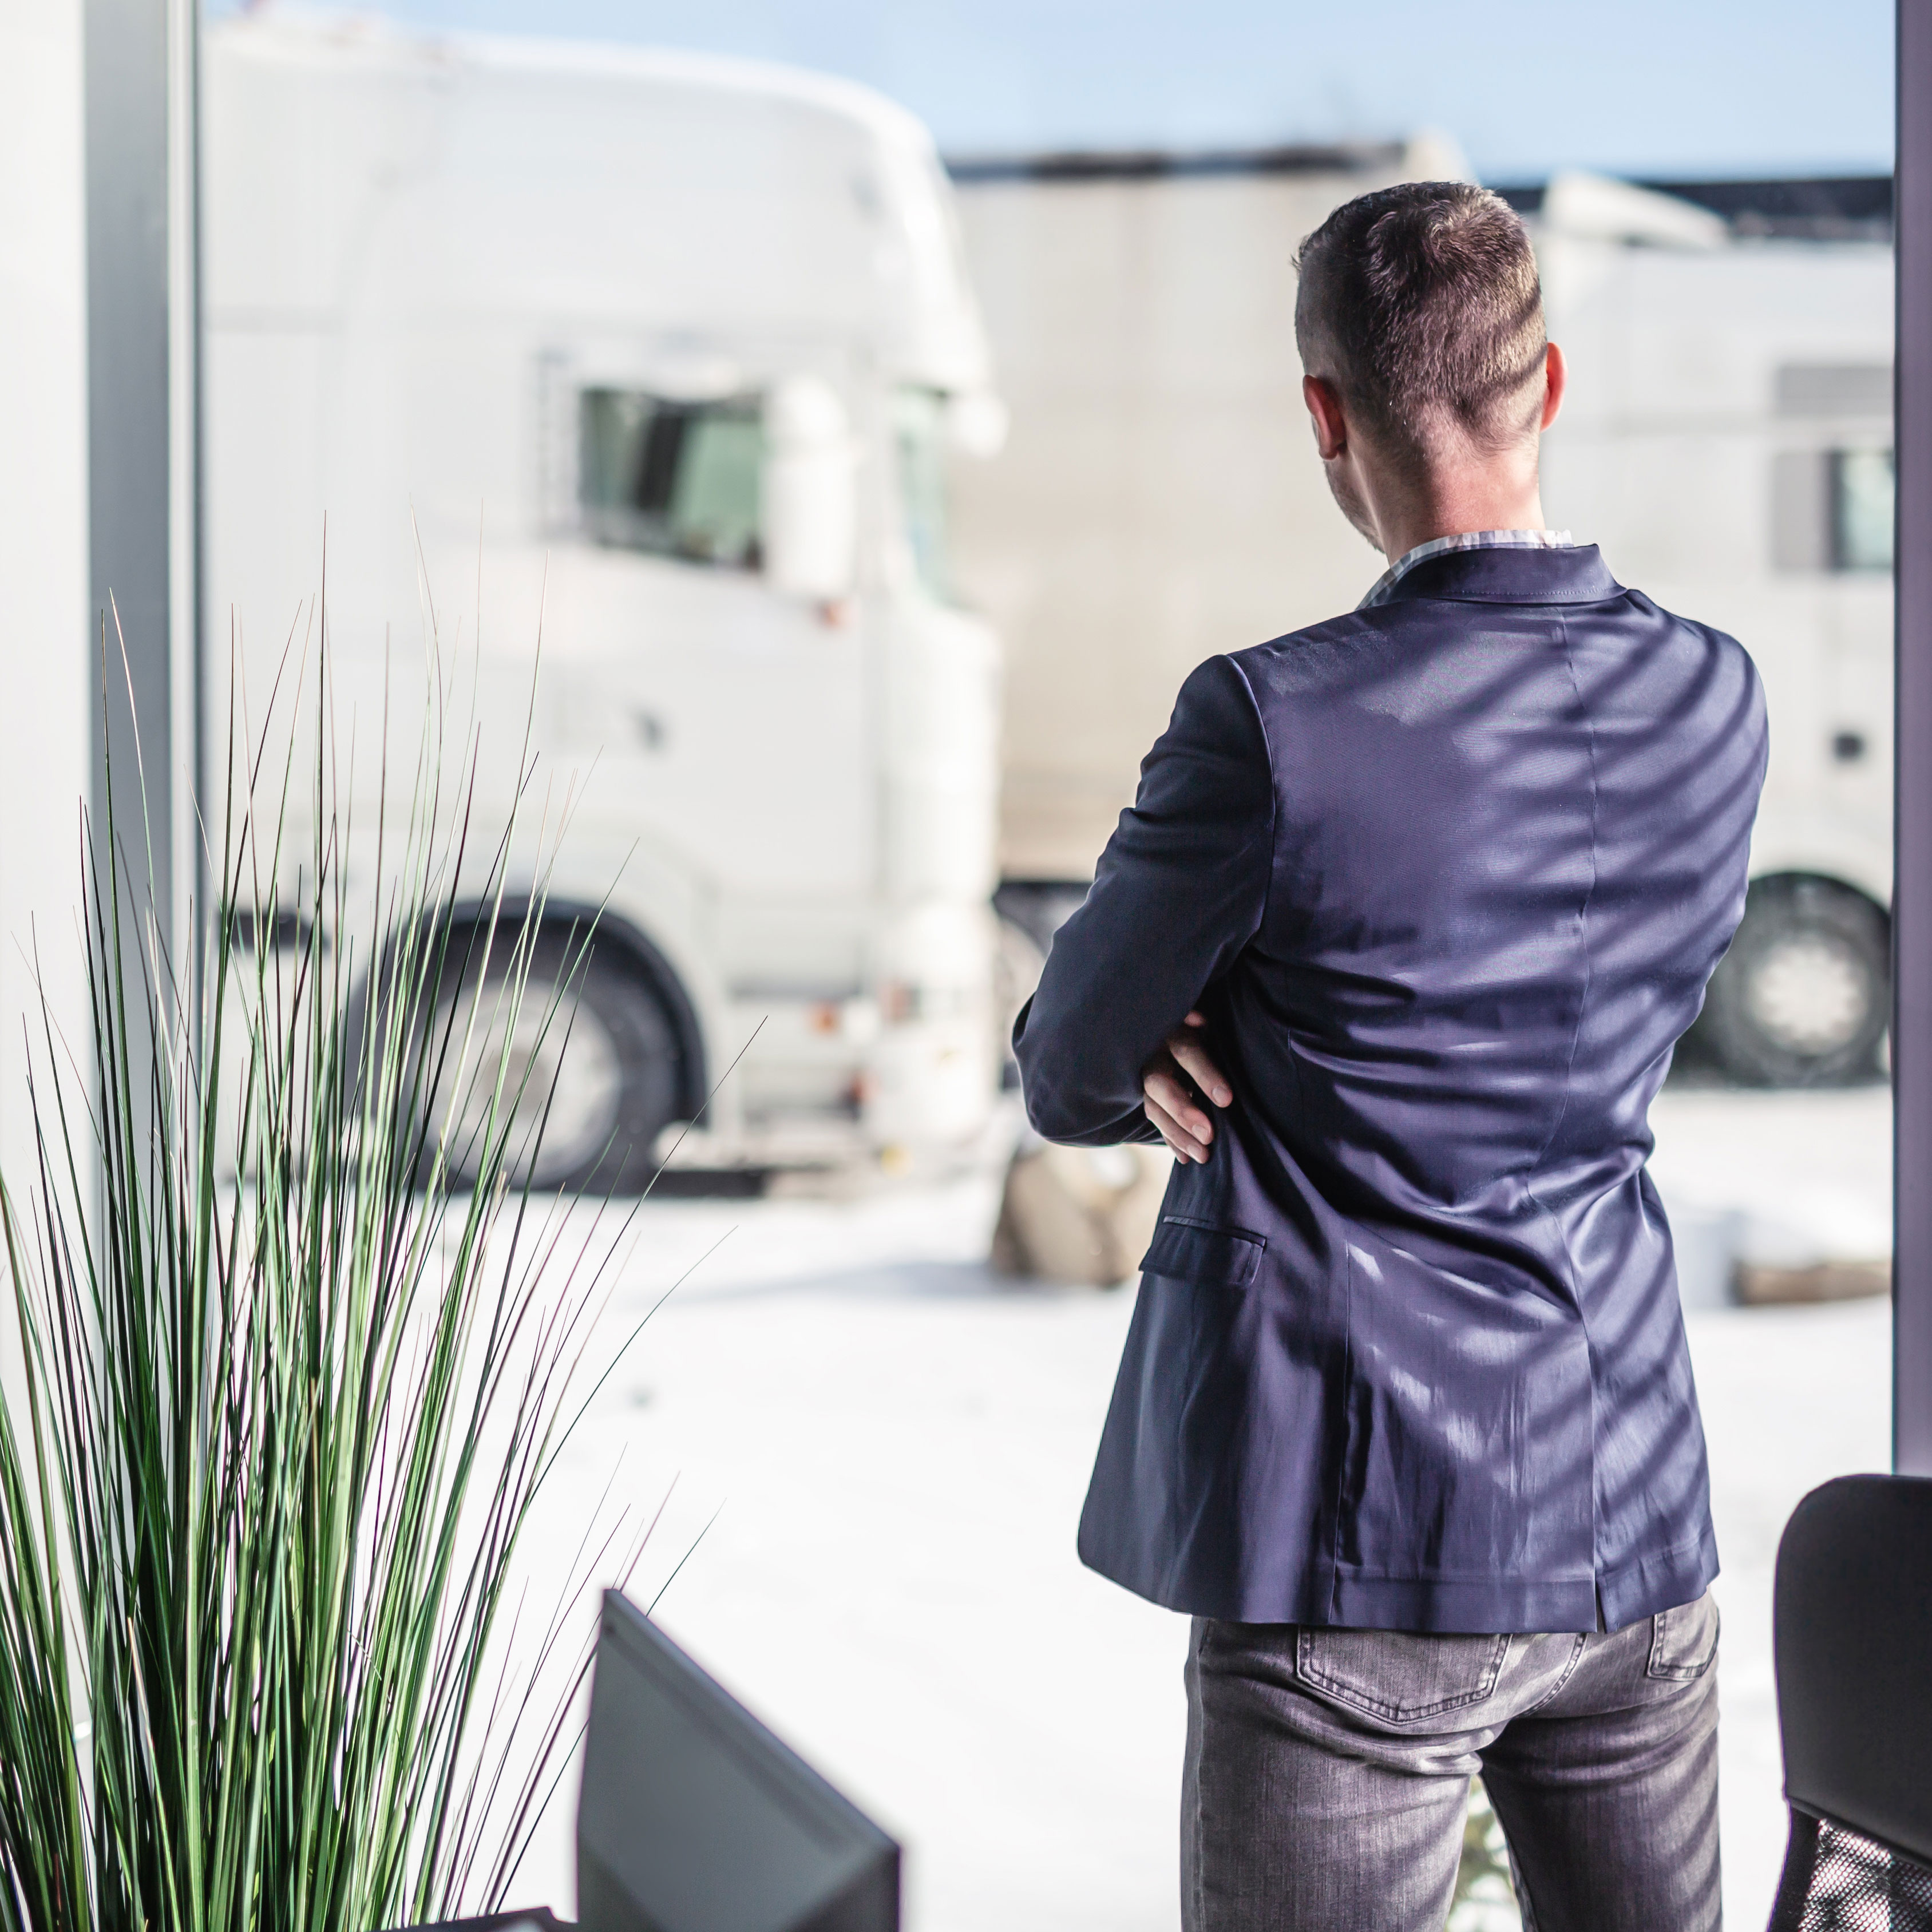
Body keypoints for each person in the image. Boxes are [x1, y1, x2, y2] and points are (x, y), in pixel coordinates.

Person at [1012, 181, 1767, 1932]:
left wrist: (1174, 1038)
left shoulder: (1270, 720)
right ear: (1549, 383)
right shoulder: (1716, 699)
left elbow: (1067, 1066)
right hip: (1629, 1518)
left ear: (1326, 418)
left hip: (1362, 1543)